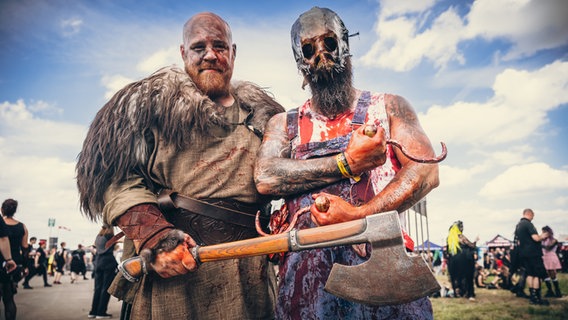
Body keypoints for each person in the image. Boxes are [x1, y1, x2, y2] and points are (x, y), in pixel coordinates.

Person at [75, 12, 284, 320]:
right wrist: (154, 236)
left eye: (219, 46)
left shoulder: (266, 119)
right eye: (199, 47)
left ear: (233, 52)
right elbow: (112, 179)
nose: (210, 55)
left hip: (250, 275)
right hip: (175, 272)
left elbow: (288, 180)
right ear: (183, 53)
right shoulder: (150, 109)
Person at [254, 7, 443, 319]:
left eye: (329, 43)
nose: (321, 56)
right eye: (308, 49)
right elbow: (266, 177)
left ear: (346, 45)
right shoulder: (283, 124)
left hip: (385, 277)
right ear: (299, 64)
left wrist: (359, 215)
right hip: (304, 283)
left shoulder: (390, 107)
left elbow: (426, 169)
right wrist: (346, 163)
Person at [514, 208, 549, 305]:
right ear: (529, 214)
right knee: (537, 274)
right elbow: (536, 238)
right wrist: (543, 236)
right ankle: (537, 298)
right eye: (533, 215)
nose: (533, 217)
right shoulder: (529, 224)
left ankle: (532, 297)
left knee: (530, 274)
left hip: (524, 254)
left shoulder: (519, 225)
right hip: (533, 253)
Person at [0, 199, 27, 320]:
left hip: (3, 260)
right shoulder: (22, 227)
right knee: (9, 298)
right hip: (14, 264)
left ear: (2, 209)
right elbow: (25, 247)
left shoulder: (1, 223)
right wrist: (25, 266)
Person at [89, 225, 118, 319]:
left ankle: (93, 311)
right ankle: (101, 312)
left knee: (97, 288)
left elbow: (95, 247)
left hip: (98, 262)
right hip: (108, 262)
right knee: (105, 288)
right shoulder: (110, 236)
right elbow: (120, 239)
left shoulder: (98, 237)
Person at [446, 221, 478, 300]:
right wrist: (476, 241)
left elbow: (448, 252)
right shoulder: (461, 237)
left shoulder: (449, 239)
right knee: (468, 277)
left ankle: (457, 293)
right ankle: (470, 294)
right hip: (465, 260)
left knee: (456, 277)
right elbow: (472, 246)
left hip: (453, 261)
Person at [541, 225, 563, 298]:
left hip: (551, 256)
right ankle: (550, 291)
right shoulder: (542, 240)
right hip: (544, 257)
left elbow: (549, 248)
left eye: (544, 231)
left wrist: (540, 244)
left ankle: (557, 291)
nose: (543, 233)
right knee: (546, 274)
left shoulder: (554, 240)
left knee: (552, 274)